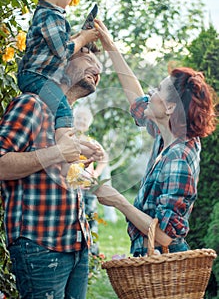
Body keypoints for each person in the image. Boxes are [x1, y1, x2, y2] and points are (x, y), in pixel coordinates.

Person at [93, 20, 218, 255]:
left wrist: (119, 201)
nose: (151, 93)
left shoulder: (178, 158)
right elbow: (135, 98)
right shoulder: (167, 135)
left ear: (170, 108)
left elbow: (165, 237)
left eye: (158, 90)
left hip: (164, 268)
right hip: (150, 260)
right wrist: (109, 45)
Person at [0, 48, 104, 298]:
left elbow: (54, 178)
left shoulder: (64, 122)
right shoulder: (31, 104)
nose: (97, 68)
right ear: (62, 64)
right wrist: (59, 152)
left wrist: (83, 165)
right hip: (40, 245)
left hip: (76, 245)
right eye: (88, 59)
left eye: (99, 65)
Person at [17, 0, 99, 141]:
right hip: (36, 76)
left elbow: (58, 46)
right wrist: (84, 38)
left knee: (57, 107)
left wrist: (81, 37)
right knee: (64, 110)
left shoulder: (52, 16)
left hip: (38, 75)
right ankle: (64, 145)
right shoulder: (49, 16)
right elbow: (63, 51)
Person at [73, 105, 108, 254]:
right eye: (79, 118)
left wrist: (96, 174)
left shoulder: (91, 142)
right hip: (72, 187)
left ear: (89, 123)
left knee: (91, 219)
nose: (81, 121)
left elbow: (104, 158)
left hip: (88, 187)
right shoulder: (69, 139)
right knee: (75, 220)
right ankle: (77, 249)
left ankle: (92, 254)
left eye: (85, 119)